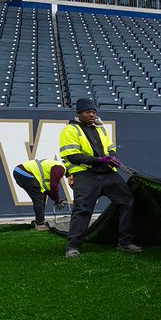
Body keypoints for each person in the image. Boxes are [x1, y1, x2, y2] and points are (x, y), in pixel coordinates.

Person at [59, 98, 143, 258]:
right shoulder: (70, 130)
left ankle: (125, 242)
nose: (92, 114)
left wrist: (112, 157)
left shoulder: (101, 128)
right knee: (82, 209)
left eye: (94, 111)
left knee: (127, 201)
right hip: (85, 174)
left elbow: (110, 148)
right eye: (87, 112)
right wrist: (98, 160)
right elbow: (73, 156)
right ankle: (72, 247)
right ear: (79, 113)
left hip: (107, 173)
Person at [12, 157, 68, 230]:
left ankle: (39, 220)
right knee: (38, 197)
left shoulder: (56, 166)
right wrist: (57, 200)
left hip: (20, 171)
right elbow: (54, 186)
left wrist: (57, 200)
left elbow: (48, 190)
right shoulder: (61, 168)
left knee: (41, 195)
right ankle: (40, 224)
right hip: (24, 172)